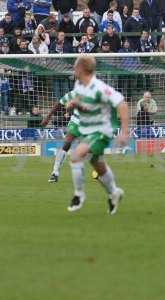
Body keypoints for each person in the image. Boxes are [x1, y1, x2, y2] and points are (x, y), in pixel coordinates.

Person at [64, 56, 128, 215]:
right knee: (97, 164)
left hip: (100, 131)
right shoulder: (79, 85)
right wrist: (74, 105)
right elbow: (82, 104)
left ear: (82, 69)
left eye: (75, 67)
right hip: (86, 130)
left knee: (75, 155)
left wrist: (125, 132)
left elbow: (121, 103)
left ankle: (79, 195)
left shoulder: (99, 87)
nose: (73, 69)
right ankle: (114, 192)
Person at [41, 91, 82, 183]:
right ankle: (54, 173)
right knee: (66, 144)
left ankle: (99, 171)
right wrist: (48, 117)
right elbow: (59, 103)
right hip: (75, 122)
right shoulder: (75, 92)